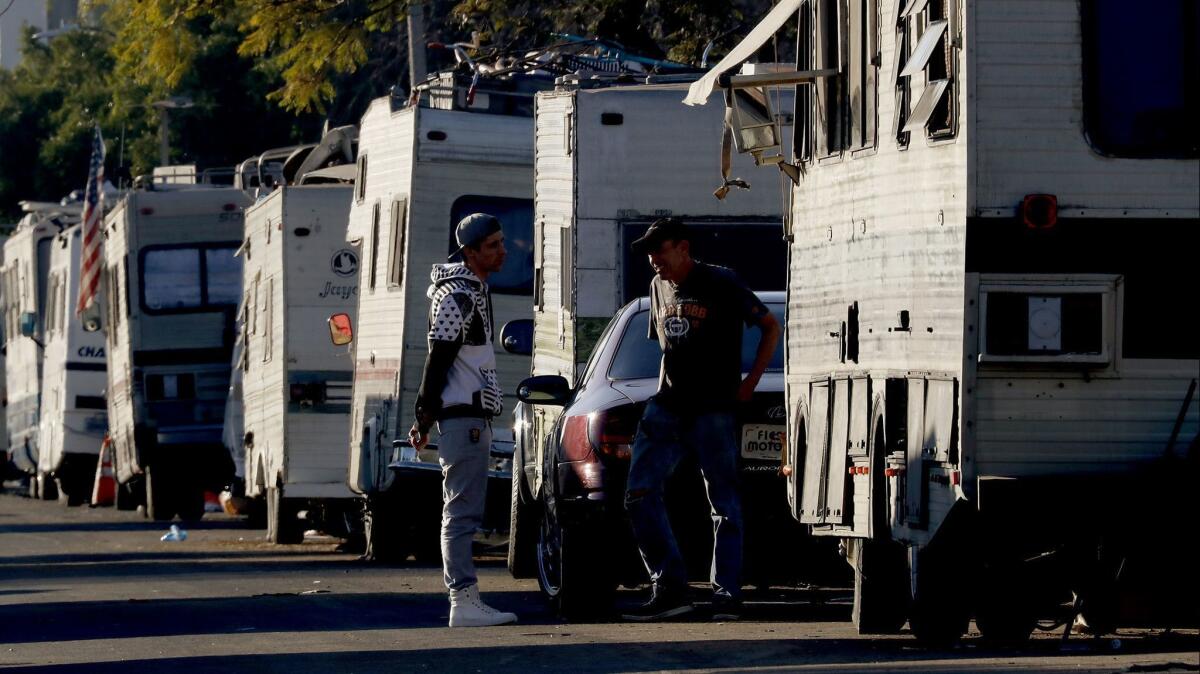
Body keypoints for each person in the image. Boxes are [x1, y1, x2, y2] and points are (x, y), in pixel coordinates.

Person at [621, 217, 781, 622]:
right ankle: (670, 587)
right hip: (669, 406)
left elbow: (769, 325)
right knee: (639, 493)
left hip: (713, 409)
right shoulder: (657, 288)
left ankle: (726, 595)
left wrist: (750, 383)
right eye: (650, 253)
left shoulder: (722, 282)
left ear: (683, 248)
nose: (654, 260)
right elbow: (666, 350)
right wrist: (659, 402)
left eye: (660, 250)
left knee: (724, 503)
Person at [409, 212, 517, 628]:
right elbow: (439, 356)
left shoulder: (468, 289)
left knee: (462, 511)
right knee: (460, 513)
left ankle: (466, 598)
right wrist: (425, 409)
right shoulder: (459, 294)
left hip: (465, 415)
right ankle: (463, 600)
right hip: (462, 417)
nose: (503, 251)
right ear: (470, 253)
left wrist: (426, 412)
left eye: (502, 242)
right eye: (492, 246)